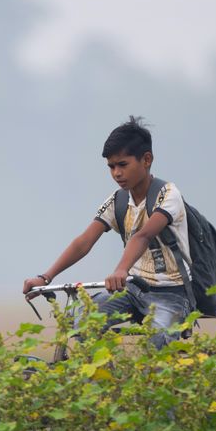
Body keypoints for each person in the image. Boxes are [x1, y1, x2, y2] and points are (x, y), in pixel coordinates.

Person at [22, 116, 192, 350]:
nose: (116, 173)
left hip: (171, 294)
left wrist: (121, 269)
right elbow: (84, 242)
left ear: (146, 160)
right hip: (132, 290)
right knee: (84, 321)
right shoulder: (118, 200)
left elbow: (143, 235)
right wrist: (45, 278)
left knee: (159, 342)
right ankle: (103, 380)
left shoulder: (168, 194)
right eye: (111, 167)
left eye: (123, 164)